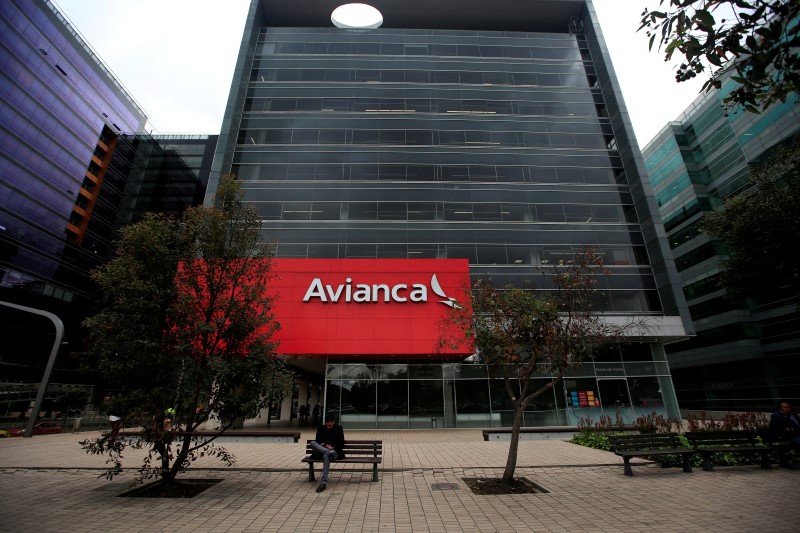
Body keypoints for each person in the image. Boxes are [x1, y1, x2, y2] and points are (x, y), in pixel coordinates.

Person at [309, 414, 346, 492]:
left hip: (335, 451)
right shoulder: (321, 428)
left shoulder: (339, 428)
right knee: (312, 443)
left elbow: (341, 443)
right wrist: (325, 445)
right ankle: (329, 452)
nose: (328, 427)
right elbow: (318, 441)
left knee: (326, 456)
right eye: (327, 425)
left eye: (330, 425)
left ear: (333, 422)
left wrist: (333, 448)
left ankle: (323, 483)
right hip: (324, 450)